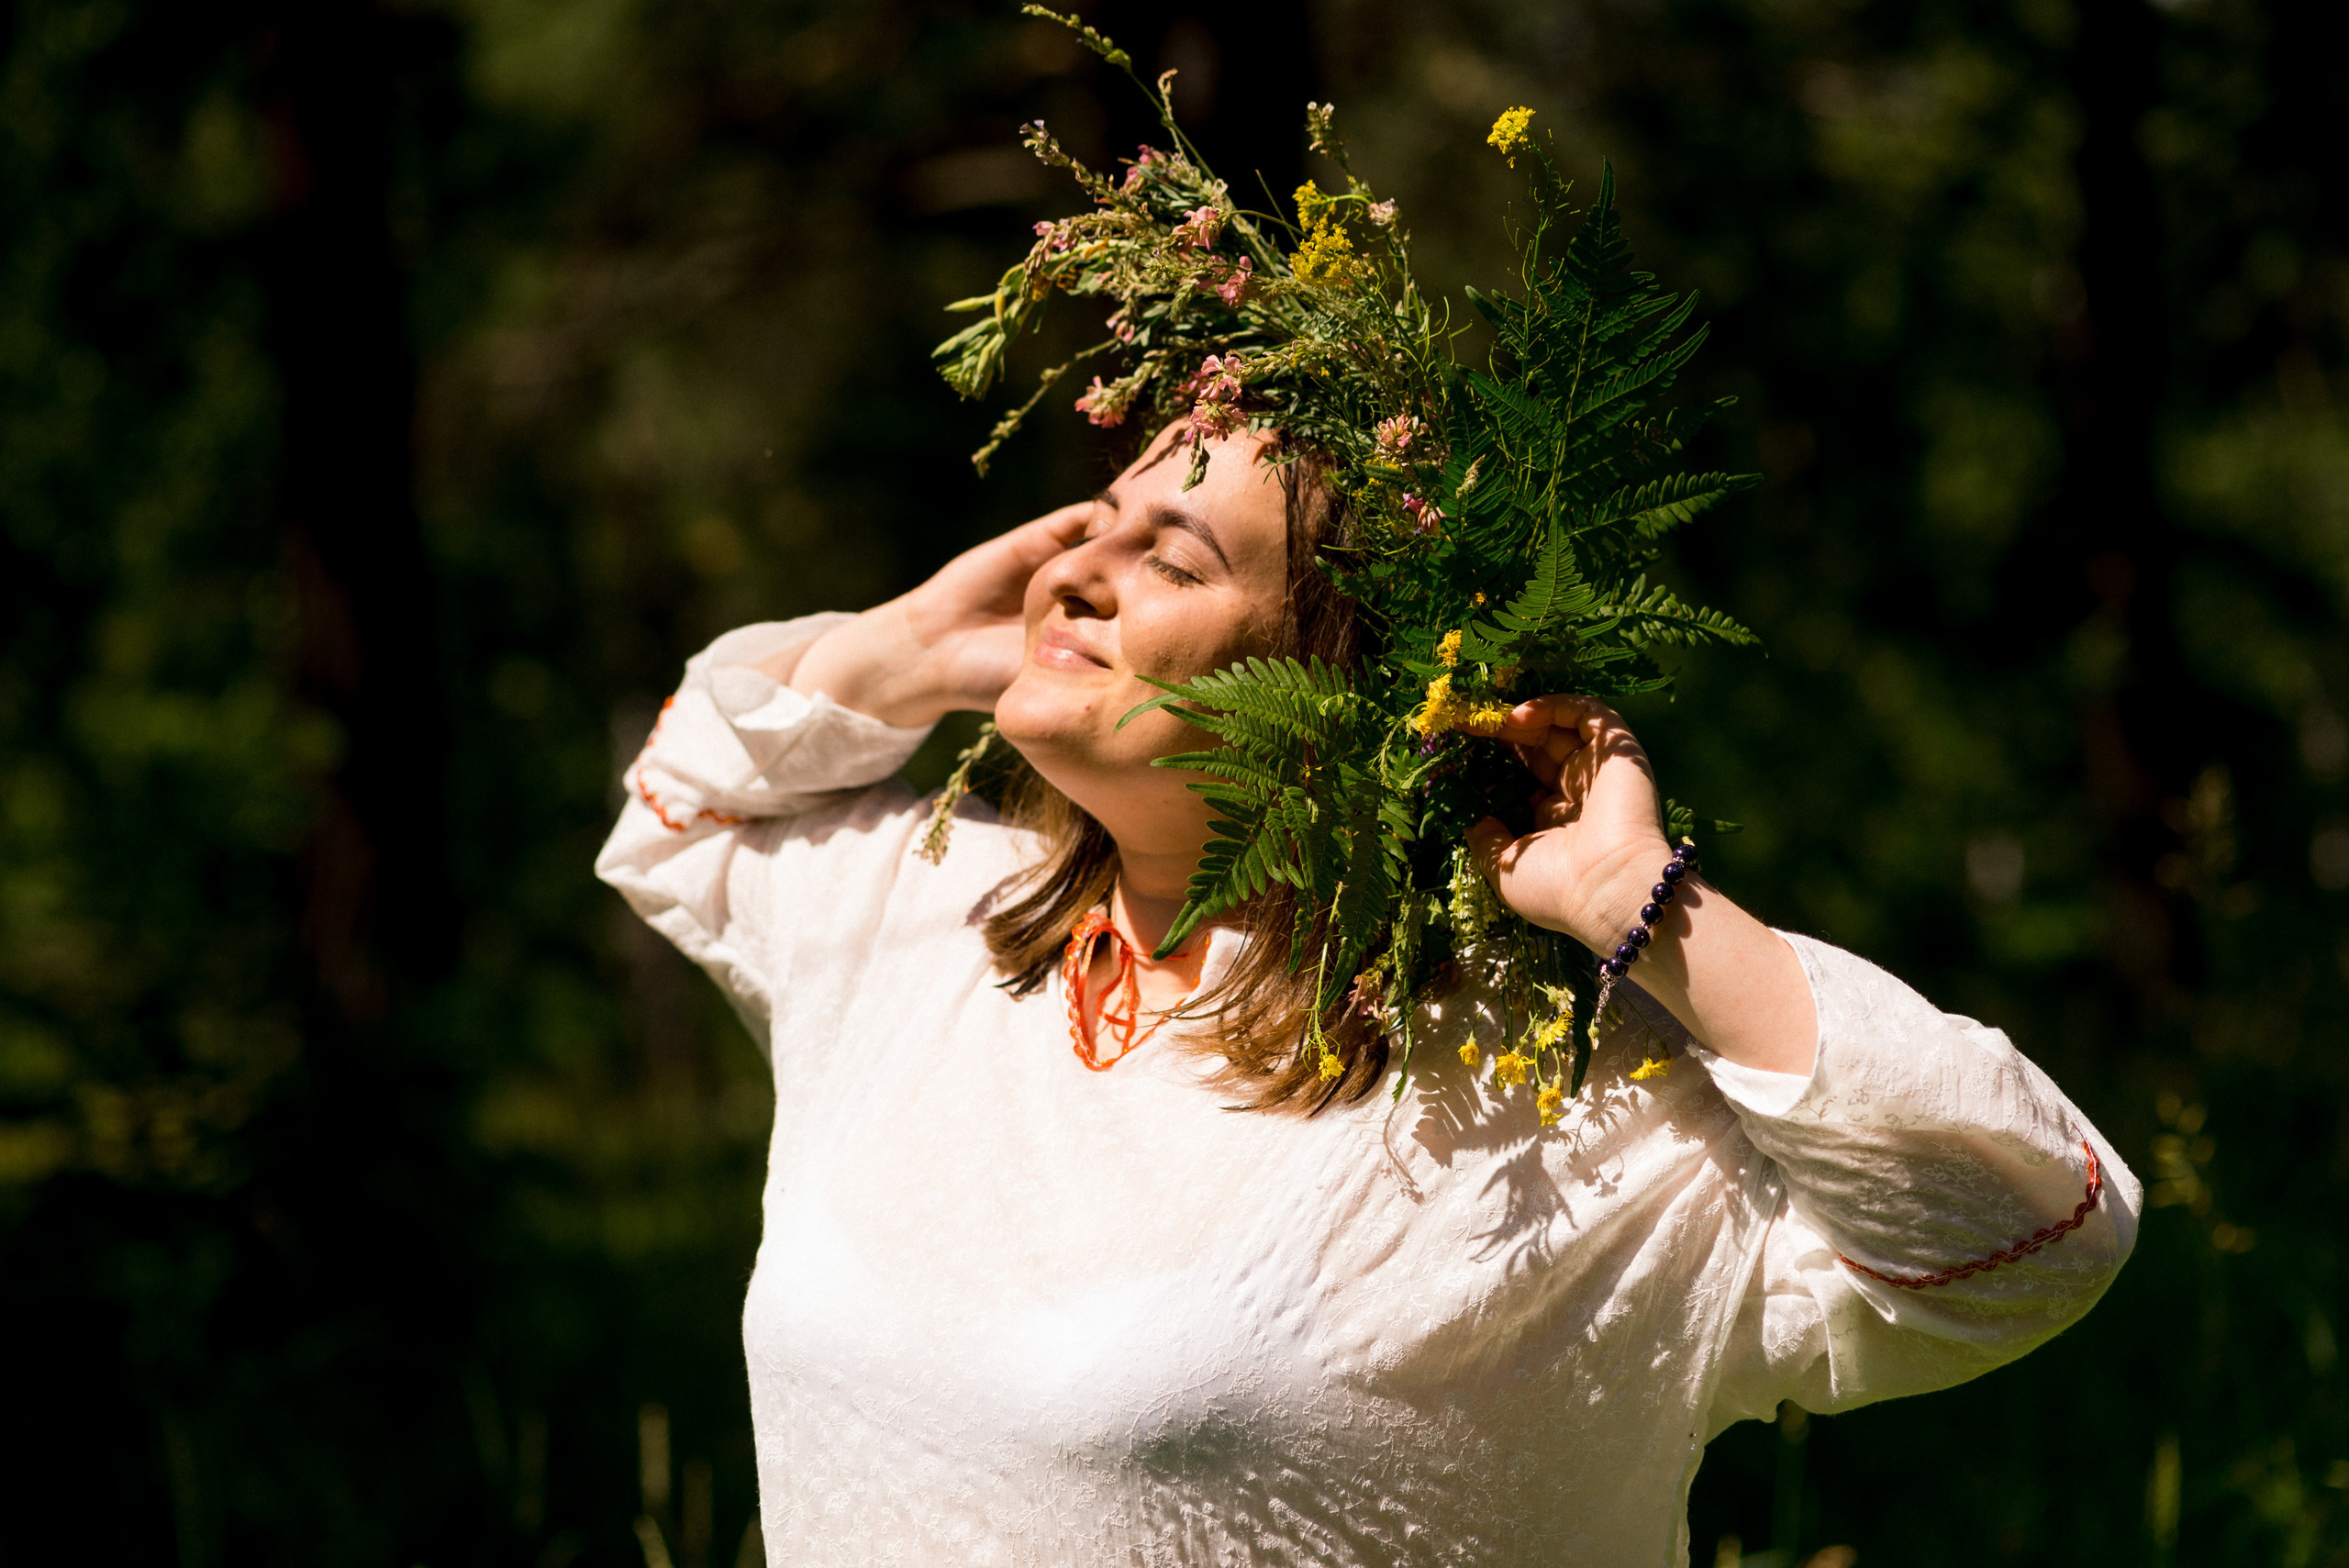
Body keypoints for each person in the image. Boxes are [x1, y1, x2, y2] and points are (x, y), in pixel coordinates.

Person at [597, 419, 2138, 1566]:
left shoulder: (1533, 1108)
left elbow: (2027, 1228)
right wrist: (913, 646)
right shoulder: (936, 915)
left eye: (1175, 555)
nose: (1077, 564)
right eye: (1097, 520)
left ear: (1337, 684)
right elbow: (677, 813)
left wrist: (1637, 908)